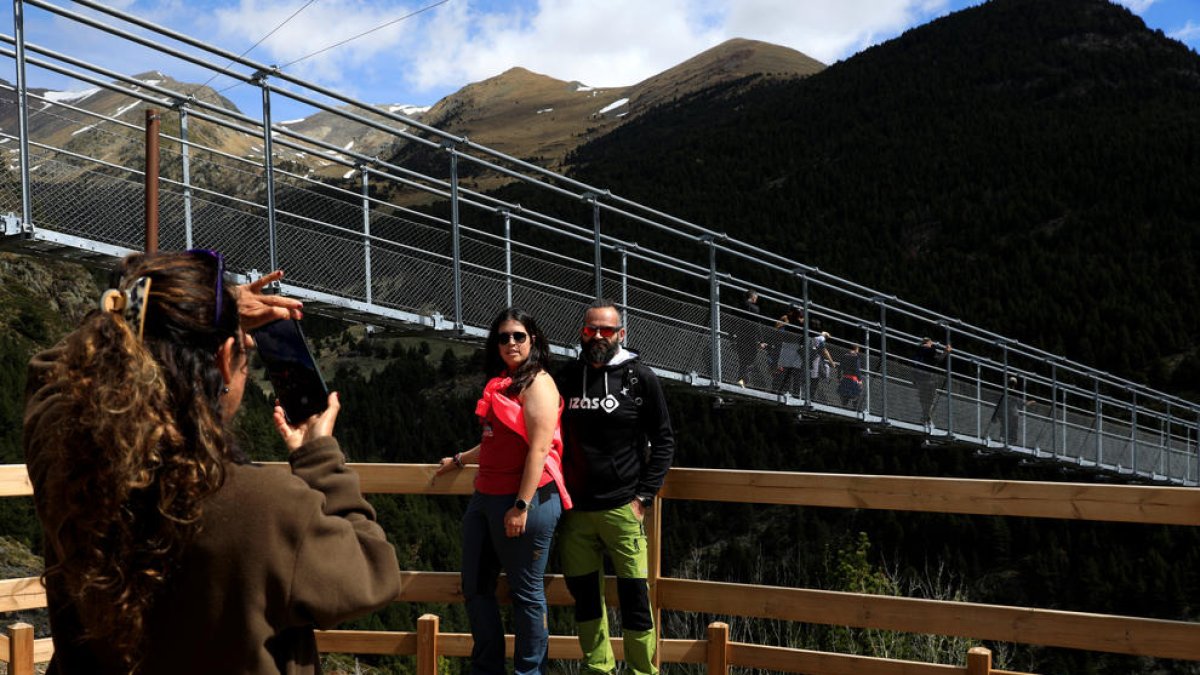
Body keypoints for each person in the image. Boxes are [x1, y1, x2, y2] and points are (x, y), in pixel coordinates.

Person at [22, 250, 401, 675]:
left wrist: (172, 308)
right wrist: (319, 457)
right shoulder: (268, 507)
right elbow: (372, 571)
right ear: (223, 360)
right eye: (244, 351)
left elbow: (49, 372)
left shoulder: (67, 460)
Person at [436, 307, 569, 675]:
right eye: (503, 337)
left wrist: (521, 505)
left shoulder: (539, 383)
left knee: (526, 595)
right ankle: (486, 668)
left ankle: (529, 672)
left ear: (534, 340)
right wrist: (461, 459)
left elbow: (539, 449)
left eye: (518, 336)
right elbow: (496, 441)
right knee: (475, 586)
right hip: (486, 495)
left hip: (528, 498)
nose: (510, 342)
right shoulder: (503, 381)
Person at [555, 299, 675, 675]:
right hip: (575, 512)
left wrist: (643, 498)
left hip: (623, 508)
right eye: (591, 328)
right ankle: (598, 669)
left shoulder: (641, 378)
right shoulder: (566, 377)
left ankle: (643, 671)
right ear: (581, 331)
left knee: (636, 598)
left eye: (607, 330)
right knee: (586, 599)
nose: (598, 336)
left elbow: (664, 440)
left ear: (621, 334)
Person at [915, 336, 952, 425]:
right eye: (931, 342)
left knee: (924, 400)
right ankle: (926, 418)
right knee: (931, 400)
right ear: (928, 342)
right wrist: (946, 351)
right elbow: (938, 360)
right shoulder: (930, 350)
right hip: (930, 379)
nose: (932, 344)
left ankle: (926, 419)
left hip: (920, 379)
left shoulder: (918, 352)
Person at [735, 290, 769, 388]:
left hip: (740, 336)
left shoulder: (739, 306)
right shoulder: (755, 308)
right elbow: (756, 325)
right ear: (753, 297)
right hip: (751, 338)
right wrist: (761, 340)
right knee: (750, 360)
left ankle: (741, 380)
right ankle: (744, 380)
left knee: (742, 360)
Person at [773, 304, 805, 397]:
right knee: (787, 370)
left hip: (795, 347)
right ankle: (784, 390)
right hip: (789, 346)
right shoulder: (788, 318)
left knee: (795, 372)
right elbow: (777, 327)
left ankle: (793, 392)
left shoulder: (798, 320)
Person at [807, 328, 836, 402]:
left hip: (811, 359)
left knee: (815, 376)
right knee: (815, 377)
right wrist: (832, 362)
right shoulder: (821, 338)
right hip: (815, 359)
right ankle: (811, 397)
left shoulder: (815, 338)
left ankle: (811, 396)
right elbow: (825, 351)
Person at [837, 342, 865, 411]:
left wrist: (838, 376)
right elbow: (857, 369)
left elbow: (840, 367)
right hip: (853, 379)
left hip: (845, 378)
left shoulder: (845, 355)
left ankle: (843, 409)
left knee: (844, 396)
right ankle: (855, 409)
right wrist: (860, 380)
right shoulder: (856, 357)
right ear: (857, 349)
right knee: (857, 395)